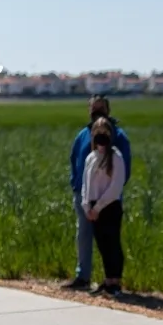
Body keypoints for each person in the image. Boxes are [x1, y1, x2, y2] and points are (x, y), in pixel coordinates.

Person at [64, 95, 132, 290]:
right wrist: (77, 186)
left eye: (100, 108)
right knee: (84, 236)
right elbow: (75, 160)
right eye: (93, 108)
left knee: (109, 240)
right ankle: (83, 276)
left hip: (108, 200)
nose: (97, 112)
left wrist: (106, 198)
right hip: (85, 197)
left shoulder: (118, 137)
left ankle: (111, 280)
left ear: (108, 110)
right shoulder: (83, 135)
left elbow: (124, 170)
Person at [81, 117, 126, 296]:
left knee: (112, 243)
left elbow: (115, 187)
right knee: (102, 245)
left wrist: (98, 207)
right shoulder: (91, 157)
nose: (101, 135)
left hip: (109, 206)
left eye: (104, 132)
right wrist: (87, 206)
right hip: (93, 208)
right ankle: (107, 279)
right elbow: (85, 184)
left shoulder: (116, 157)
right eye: (97, 132)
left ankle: (115, 281)